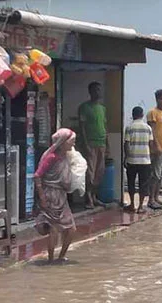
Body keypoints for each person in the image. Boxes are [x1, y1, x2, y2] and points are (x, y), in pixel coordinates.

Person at [34, 128, 78, 263]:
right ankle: (51, 259)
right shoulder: (51, 157)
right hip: (51, 195)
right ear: (62, 142)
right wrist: (42, 196)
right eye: (71, 142)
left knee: (71, 229)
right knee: (54, 229)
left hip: (61, 196)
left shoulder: (66, 156)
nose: (73, 145)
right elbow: (37, 176)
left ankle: (61, 256)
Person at [78, 81, 107, 209]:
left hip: (101, 143)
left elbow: (105, 127)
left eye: (99, 90)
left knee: (99, 172)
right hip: (90, 143)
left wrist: (107, 145)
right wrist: (85, 144)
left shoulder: (102, 108)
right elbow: (82, 127)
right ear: (90, 92)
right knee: (90, 172)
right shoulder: (84, 107)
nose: (98, 93)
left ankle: (95, 197)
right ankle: (88, 198)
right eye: (95, 90)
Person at [123, 106, 153, 214]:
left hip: (132, 160)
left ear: (133, 115)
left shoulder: (129, 128)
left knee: (131, 183)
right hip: (145, 161)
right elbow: (151, 144)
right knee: (143, 184)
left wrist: (126, 157)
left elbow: (126, 144)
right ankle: (140, 206)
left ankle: (132, 204)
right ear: (142, 114)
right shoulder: (148, 128)